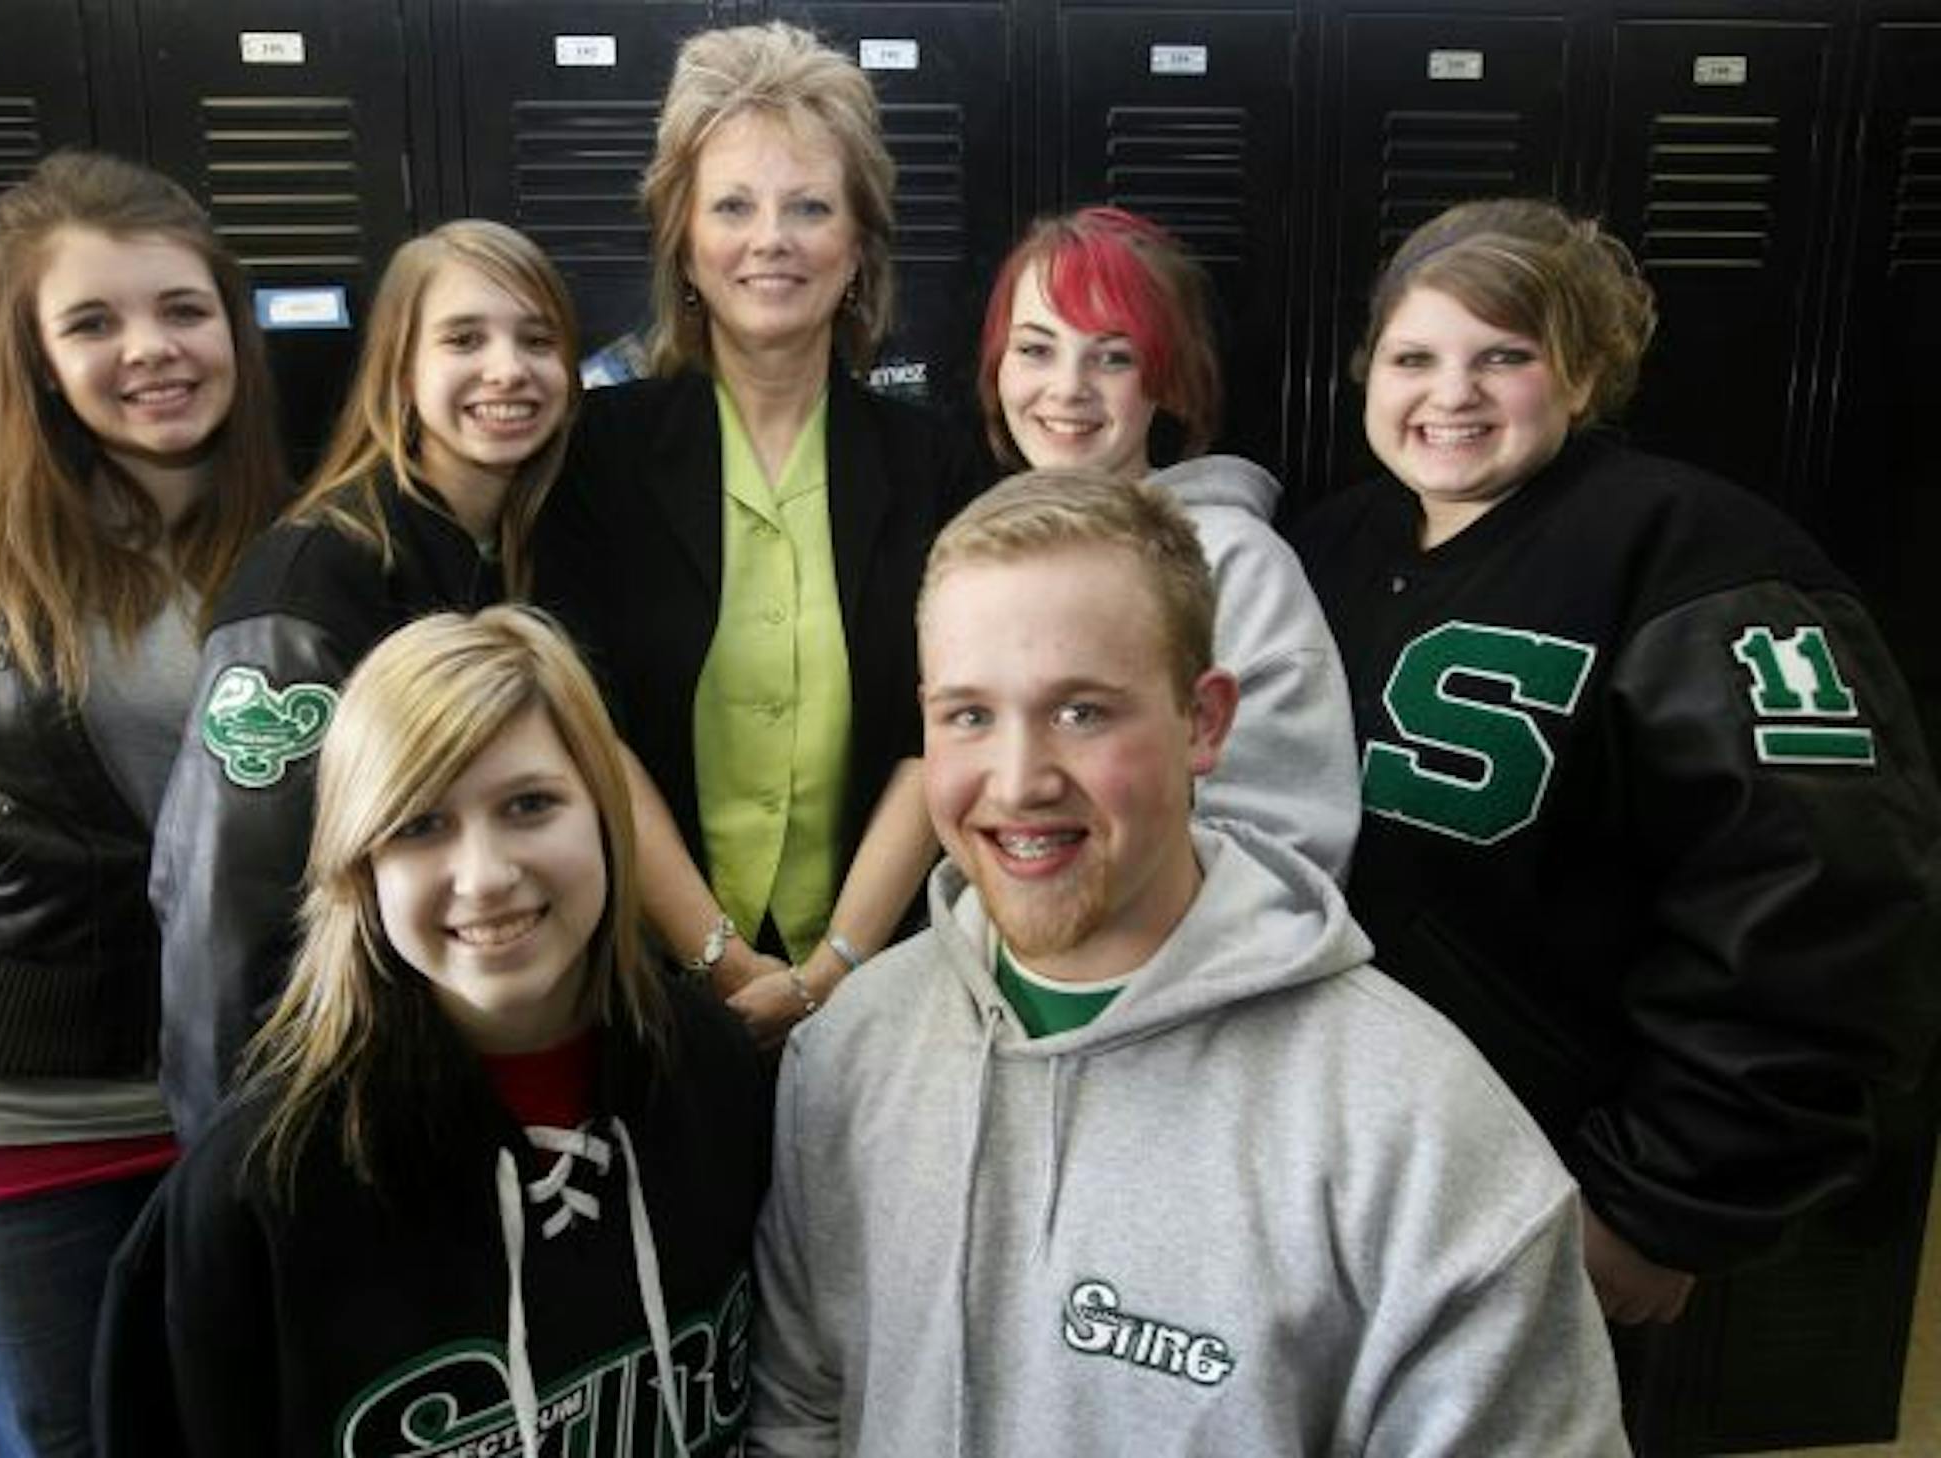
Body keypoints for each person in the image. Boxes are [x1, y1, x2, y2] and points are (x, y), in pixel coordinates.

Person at [749, 469, 1628, 1454]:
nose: (1019, 780)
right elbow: (802, 1406)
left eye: (1082, 712)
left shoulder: (1422, 1137)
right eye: (969, 715)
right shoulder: (848, 1054)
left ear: (1204, 721)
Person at [1289, 199, 1941, 1418]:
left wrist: (1663, 1200)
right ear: (1369, 372)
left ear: (1582, 375)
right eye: (1415, 356)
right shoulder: (1322, 546)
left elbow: (1825, 905)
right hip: (1328, 1165)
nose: (1452, 394)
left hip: (1546, 1185)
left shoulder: (1702, 559)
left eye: (1504, 356)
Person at [0, 150, 285, 1457]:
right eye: (93, 322)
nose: (152, 349)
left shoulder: (305, 540)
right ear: (35, 356)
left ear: (232, 326)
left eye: (183, 309)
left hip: (226, 1094)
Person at [103, 607, 766, 1455]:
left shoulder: (715, 1073)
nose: (484, 877)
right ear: (360, 865)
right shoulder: (259, 1187)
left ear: (606, 815)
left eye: (530, 804)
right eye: (420, 825)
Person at [534, 22, 982, 1048]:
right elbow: (582, 727)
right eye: (733, 206)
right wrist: (722, 963)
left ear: (858, 246)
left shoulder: (936, 467)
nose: (771, 238)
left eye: (810, 207)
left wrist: (833, 972)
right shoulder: (595, 456)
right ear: (684, 244)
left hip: (885, 987)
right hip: (645, 989)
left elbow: (941, 733)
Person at [153, 220, 580, 1139]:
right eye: (463, 339)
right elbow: (226, 916)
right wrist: (244, 1166)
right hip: (342, 1101)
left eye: (538, 340)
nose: (508, 369)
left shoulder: (515, 551)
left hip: (460, 1073)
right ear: (399, 369)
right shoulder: (313, 582)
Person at [978, 205, 1357, 879]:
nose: (1068, 388)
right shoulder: (978, 558)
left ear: (1169, 382)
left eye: (1114, 357)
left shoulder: (1239, 564)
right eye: (1036, 349)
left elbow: (1288, 851)